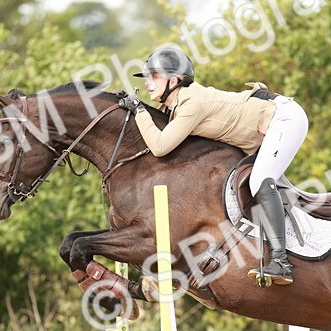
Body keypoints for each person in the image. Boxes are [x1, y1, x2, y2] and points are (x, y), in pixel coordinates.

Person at [119, 47, 309, 286]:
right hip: (269, 124)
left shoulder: (191, 103)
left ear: (174, 80)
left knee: (259, 180)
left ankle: (281, 261)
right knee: (260, 180)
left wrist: (138, 110)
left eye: (154, 76)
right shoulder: (176, 104)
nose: (148, 82)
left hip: (284, 118)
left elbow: (159, 146)